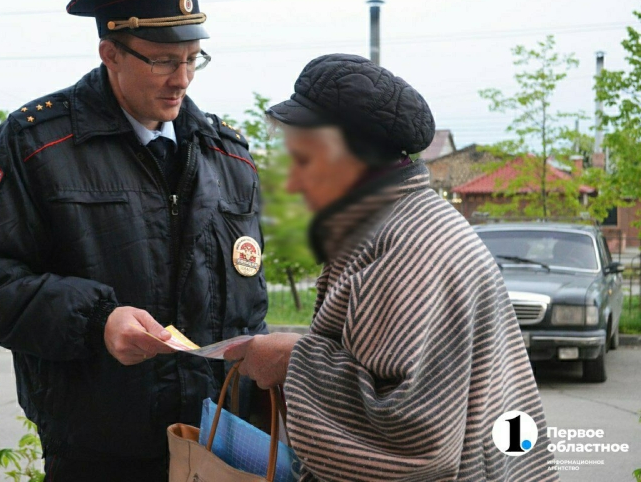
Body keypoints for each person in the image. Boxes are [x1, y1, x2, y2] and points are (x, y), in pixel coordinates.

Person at [0, 0, 268, 480]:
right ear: (110, 53)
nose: (180, 79)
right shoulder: (38, 143)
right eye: (162, 59)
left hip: (214, 446)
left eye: (193, 58)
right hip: (97, 447)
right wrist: (97, 322)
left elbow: (248, 295)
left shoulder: (225, 154)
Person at [225, 54, 557, 481]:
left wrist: (293, 360)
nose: (291, 182)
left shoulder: (407, 249)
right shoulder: (403, 220)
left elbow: (413, 440)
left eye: (303, 162)